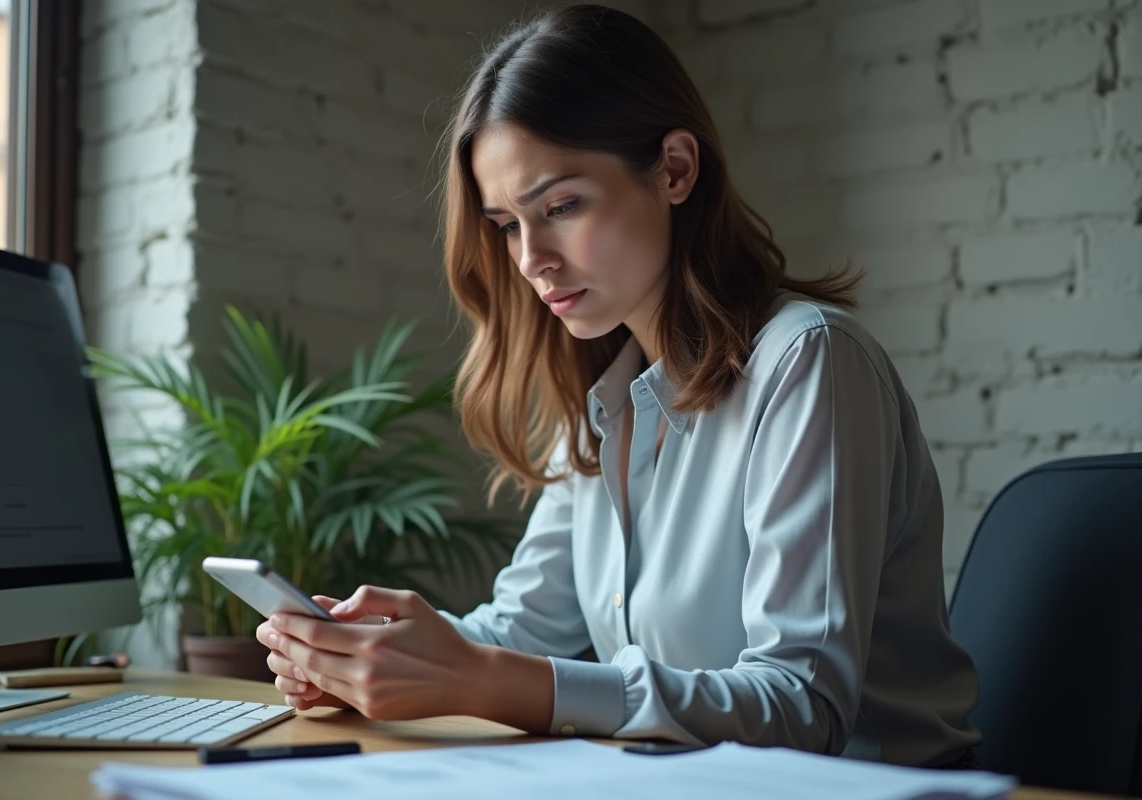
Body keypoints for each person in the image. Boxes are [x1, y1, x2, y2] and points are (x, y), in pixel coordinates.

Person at [257, 3, 981, 769]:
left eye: (561, 206)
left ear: (674, 169)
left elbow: (802, 706)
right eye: (506, 224)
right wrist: (374, 655)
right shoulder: (605, 399)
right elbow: (521, 636)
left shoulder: (809, 362)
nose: (531, 257)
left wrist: (488, 680)